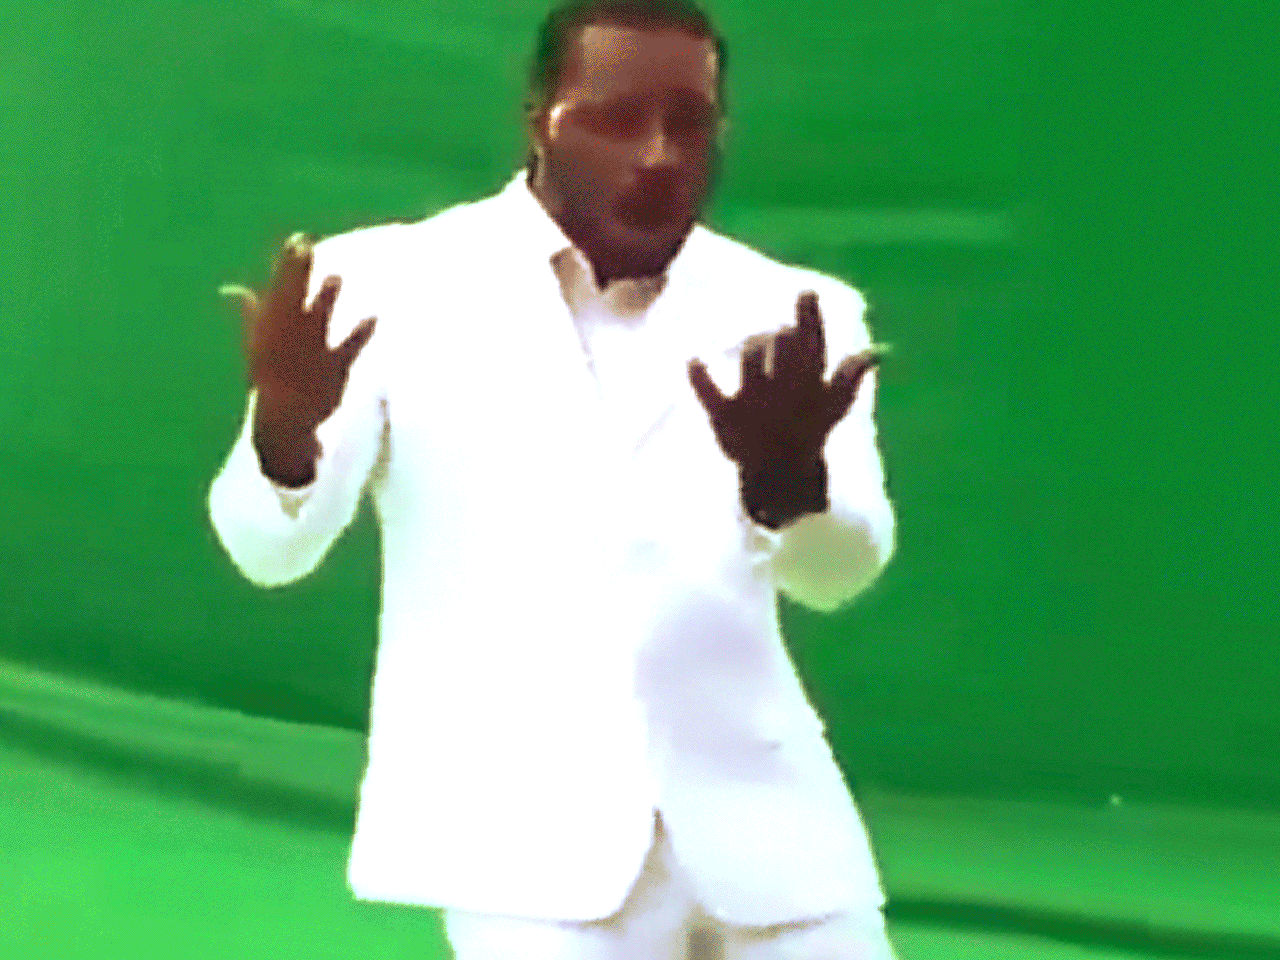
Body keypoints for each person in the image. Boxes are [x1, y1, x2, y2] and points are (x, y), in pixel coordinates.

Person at [208, 0, 898, 956]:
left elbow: (839, 576)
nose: (657, 155)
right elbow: (269, 552)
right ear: (540, 117)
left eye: (689, 123)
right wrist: (285, 438)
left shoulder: (798, 313)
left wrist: (793, 496)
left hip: (770, 846)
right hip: (520, 844)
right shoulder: (380, 289)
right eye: (616, 118)